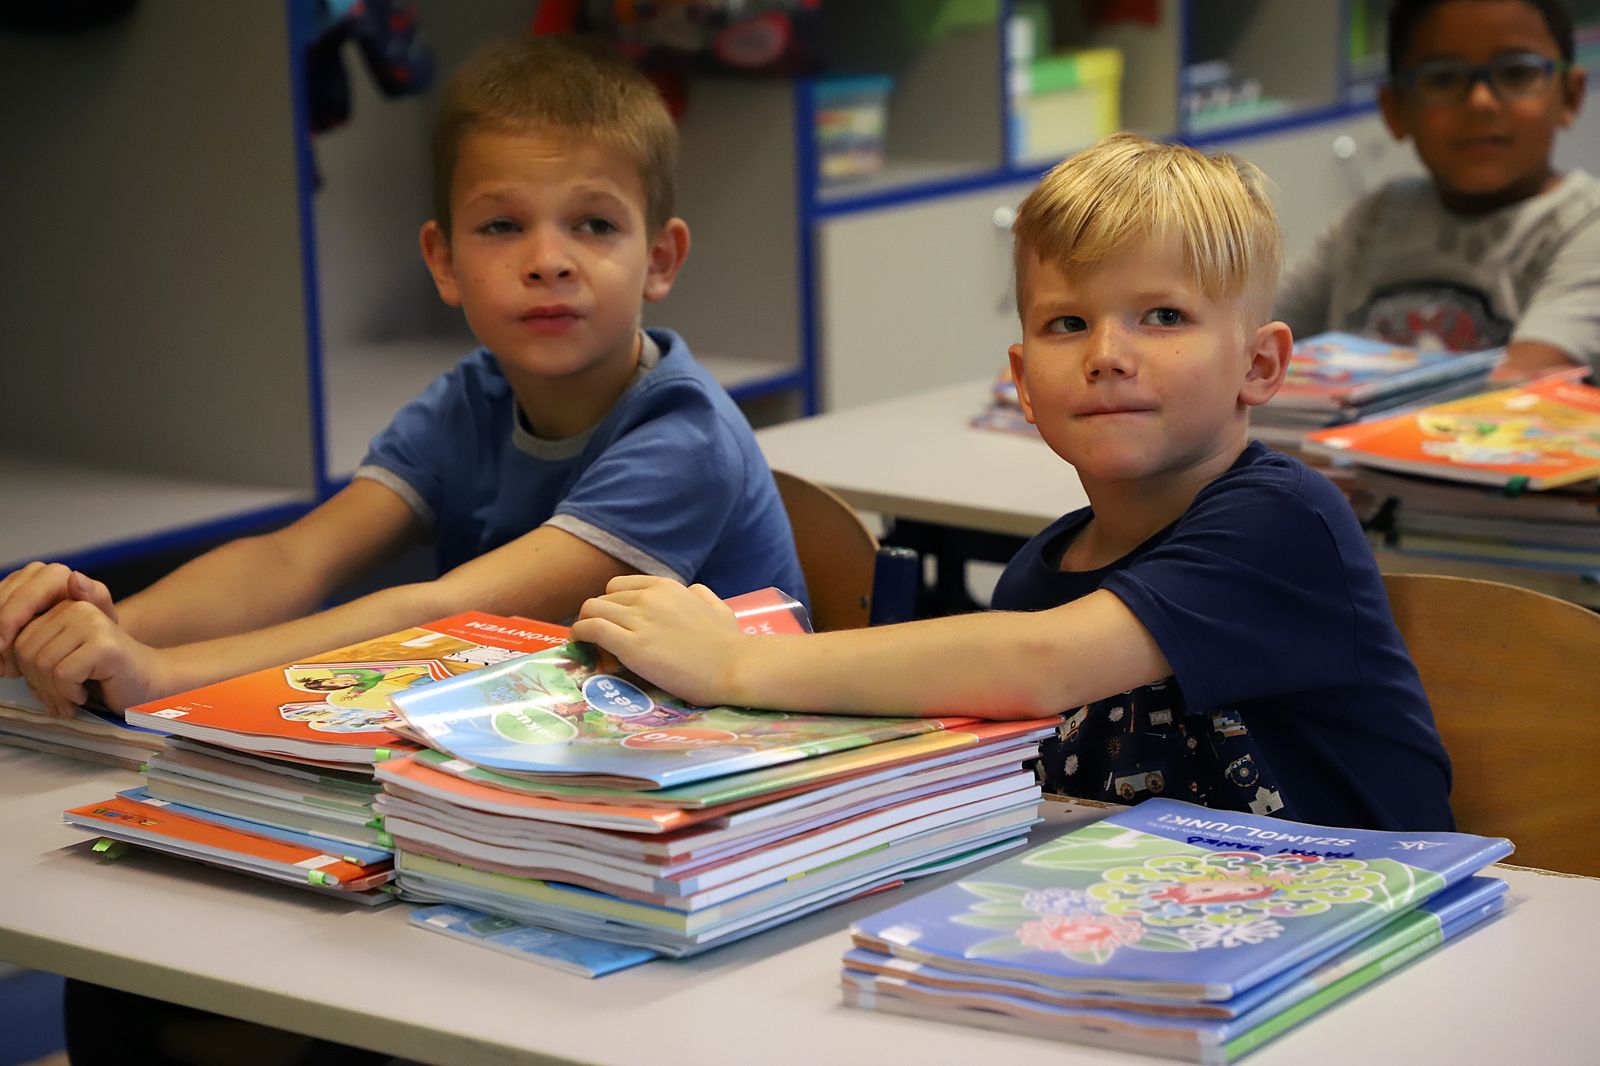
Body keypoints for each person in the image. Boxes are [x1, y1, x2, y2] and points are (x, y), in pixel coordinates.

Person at [574, 131, 1456, 834]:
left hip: (1374, 935)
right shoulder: (1038, 577)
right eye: (1068, 323)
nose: (1108, 355)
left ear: (1259, 365)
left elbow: (1043, 663)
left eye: (1163, 316)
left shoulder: (1284, 521)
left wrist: (736, 663)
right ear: (1025, 381)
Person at [0, 34, 805, 719]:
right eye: (502, 225)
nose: (548, 261)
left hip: (727, 787)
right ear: (443, 261)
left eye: (594, 224)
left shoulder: (684, 438)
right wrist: (107, 629)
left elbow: (446, 614)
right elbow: (292, 561)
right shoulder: (472, 399)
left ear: (659, 259)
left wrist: (162, 673)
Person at [1274, 0, 1598, 378]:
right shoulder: (1373, 220)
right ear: (1395, 109)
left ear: (1571, 95)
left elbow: (1517, 387)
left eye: (1516, 73)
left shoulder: (1584, 228)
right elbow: (1252, 334)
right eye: (1443, 78)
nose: (1481, 102)